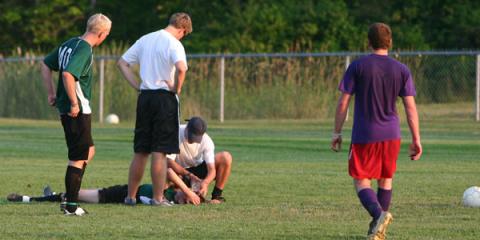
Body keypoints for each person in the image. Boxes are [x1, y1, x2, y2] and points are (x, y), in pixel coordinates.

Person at [331, 23, 422, 240]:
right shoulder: (402, 70)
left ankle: (379, 215)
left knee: (361, 180)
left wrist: (336, 132)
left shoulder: (358, 66)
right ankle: (378, 230)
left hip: (365, 134)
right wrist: (416, 139)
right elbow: (411, 108)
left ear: (368, 42)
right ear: (390, 42)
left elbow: (343, 103)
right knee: (385, 179)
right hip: (392, 134)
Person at [117, 12, 192, 206]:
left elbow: (122, 63)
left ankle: (130, 196)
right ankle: (158, 198)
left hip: (145, 98)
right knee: (159, 152)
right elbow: (182, 68)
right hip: (164, 99)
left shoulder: (145, 39)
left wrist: (137, 85)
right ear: (182, 30)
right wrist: (177, 88)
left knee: (141, 151)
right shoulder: (174, 43)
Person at [40, 13, 112, 216]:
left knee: (88, 151)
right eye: (107, 34)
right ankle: (71, 205)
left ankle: (71, 194)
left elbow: (45, 64)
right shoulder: (85, 49)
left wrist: (51, 93)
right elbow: (67, 74)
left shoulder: (70, 43)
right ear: (102, 33)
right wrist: (73, 103)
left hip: (71, 108)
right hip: (77, 110)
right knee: (78, 157)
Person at [7, 168, 201, 205]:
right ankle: (35, 198)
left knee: (74, 195)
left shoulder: (167, 203)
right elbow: (167, 171)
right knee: (73, 195)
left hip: (118, 197)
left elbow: (147, 201)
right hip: (121, 191)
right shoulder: (167, 188)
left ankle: (29, 198)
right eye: (187, 197)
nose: (186, 200)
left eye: (188, 201)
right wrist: (188, 189)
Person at [167, 116, 233, 204]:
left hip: (197, 169)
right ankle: (176, 193)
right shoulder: (175, 134)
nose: (193, 140)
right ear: (187, 128)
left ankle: (216, 196)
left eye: (196, 137)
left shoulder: (207, 141)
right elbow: (169, 161)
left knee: (226, 157)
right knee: (167, 170)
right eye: (191, 136)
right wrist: (188, 175)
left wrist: (205, 183)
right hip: (179, 172)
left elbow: (211, 170)